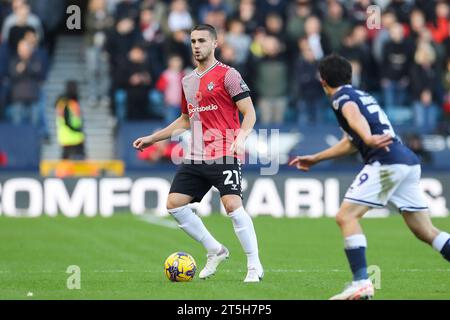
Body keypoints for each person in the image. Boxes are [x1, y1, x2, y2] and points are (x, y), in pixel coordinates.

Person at [289, 54, 450, 300]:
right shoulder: (361, 94)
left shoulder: (341, 97)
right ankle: (361, 282)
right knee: (425, 231)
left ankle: (361, 282)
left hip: (386, 161)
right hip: (405, 161)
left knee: (346, 216)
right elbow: (351, 142)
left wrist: (367, 138)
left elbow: (355, 118)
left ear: (323, 81)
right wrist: (317, 158)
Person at [133, 24, 263, 282]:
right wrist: (153, 138)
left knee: (232, 206)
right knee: (174, 204)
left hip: (224, 150)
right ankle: (215, 250)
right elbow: (184, 120)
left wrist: (240, 138)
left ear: (215, 43)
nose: (196, 45)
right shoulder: (187, 81)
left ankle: (254, 265)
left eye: (202, 40)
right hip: (196, 155)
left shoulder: (229, 75)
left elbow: (250, 113)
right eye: (193, 41)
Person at [55, 81, 85, 160]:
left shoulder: (62, 103)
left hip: (65, 137)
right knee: (79, 165)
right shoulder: (70, 103)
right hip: (74, 138)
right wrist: (77, 130)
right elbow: (67, 120)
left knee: (65, 163)